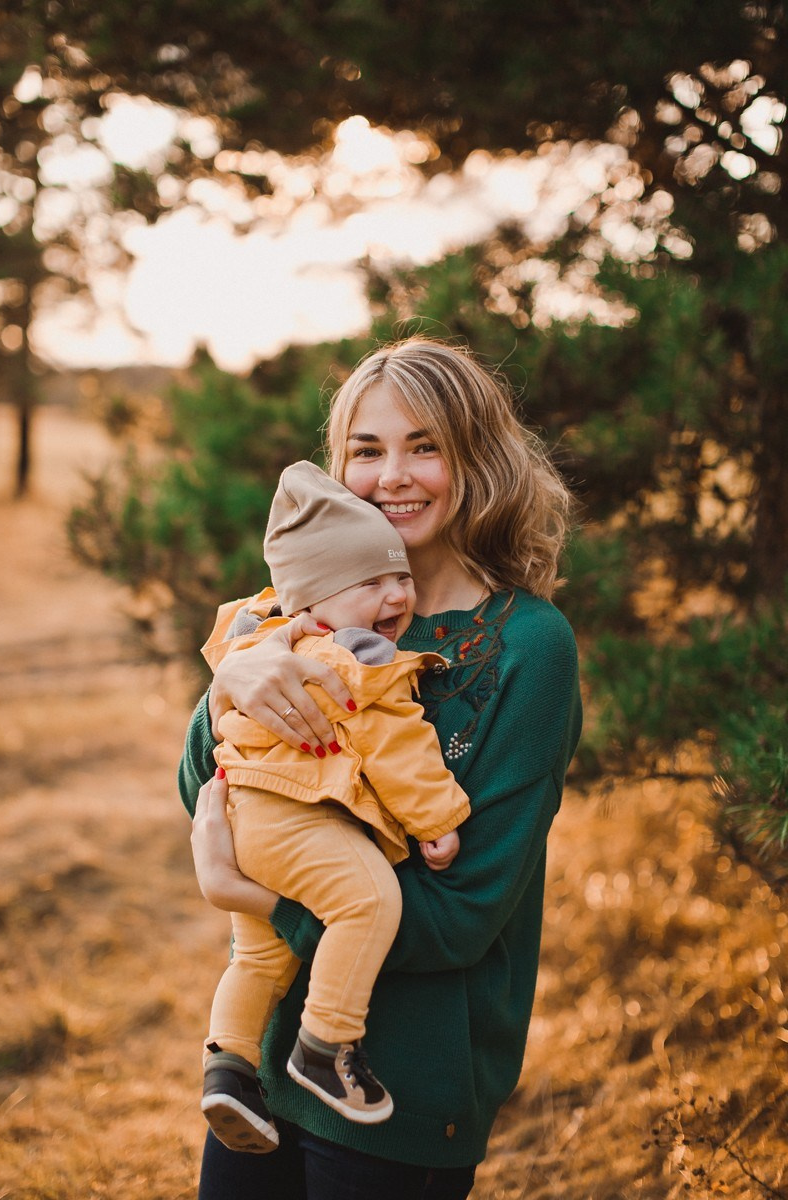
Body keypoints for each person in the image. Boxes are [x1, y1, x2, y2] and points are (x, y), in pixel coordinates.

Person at [179, 337, 583, 1200]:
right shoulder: (304, 603)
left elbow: (461, 916)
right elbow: (205, 790)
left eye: (425, 445)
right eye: (368, 449)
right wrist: (228, 686)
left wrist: (264, 902)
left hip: (403, 1094)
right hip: (266, 1071)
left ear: (479, 458)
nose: (392, 475)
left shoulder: (527, 649)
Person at [200, 459, 470, 1153]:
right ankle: (327, 1041)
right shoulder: (354, 659)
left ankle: (228, 1068)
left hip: (245, 818)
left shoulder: (255, 642)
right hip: (296, 818)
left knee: (259, 957)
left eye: (400, 576)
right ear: (313, 605)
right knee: (371, 902)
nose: (395, 594)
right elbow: (398, 744)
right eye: (371, 583)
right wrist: (435, 822)